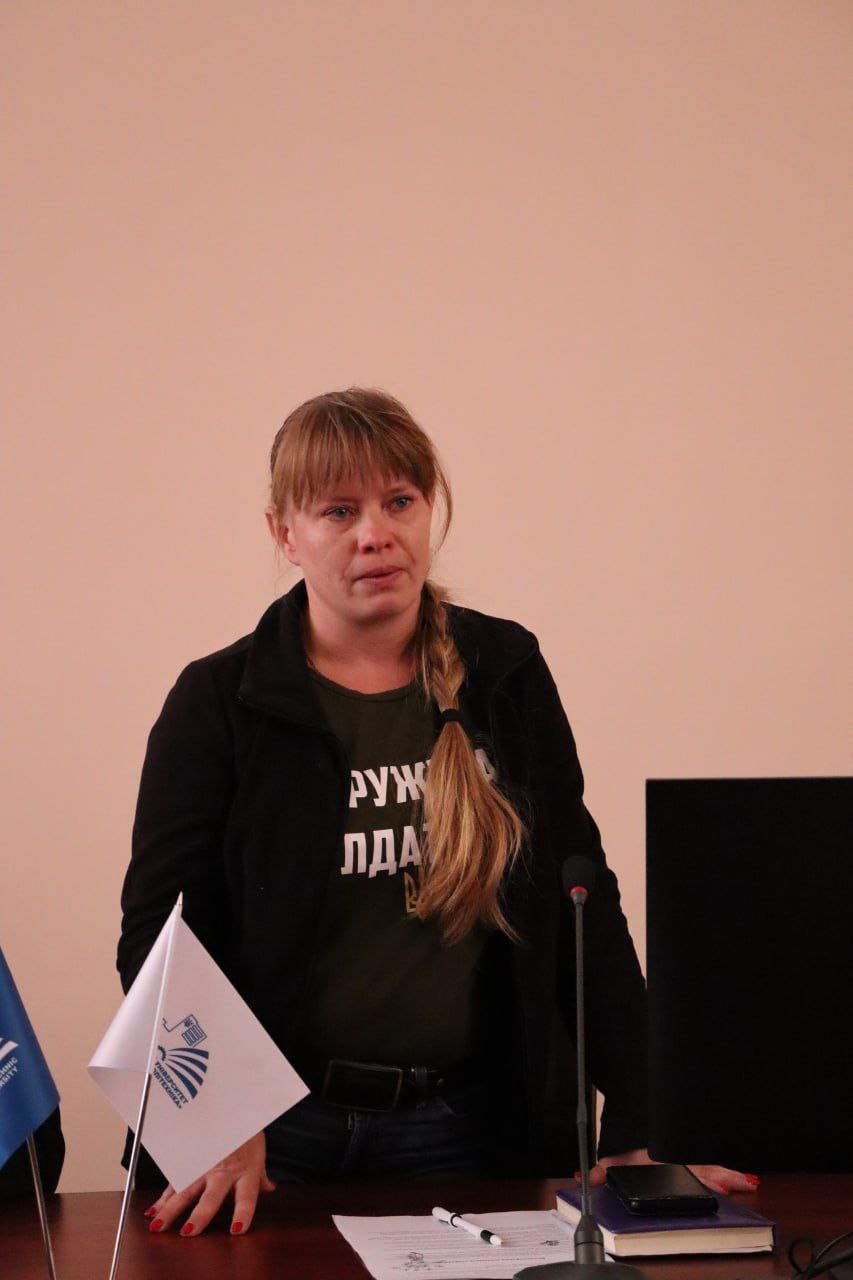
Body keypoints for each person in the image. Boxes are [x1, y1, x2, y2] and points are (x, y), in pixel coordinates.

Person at [117, 387, 758, 1238]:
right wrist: (216, 1119)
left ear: (429, 510)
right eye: (337, 510)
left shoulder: (505, 671)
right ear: (284, 532)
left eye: (399, 501)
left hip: (466, 1126)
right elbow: (158, 938)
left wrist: (643, 1124)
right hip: (270, 1136)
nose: (374, 534)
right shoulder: (219, 701)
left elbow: (581, 903)